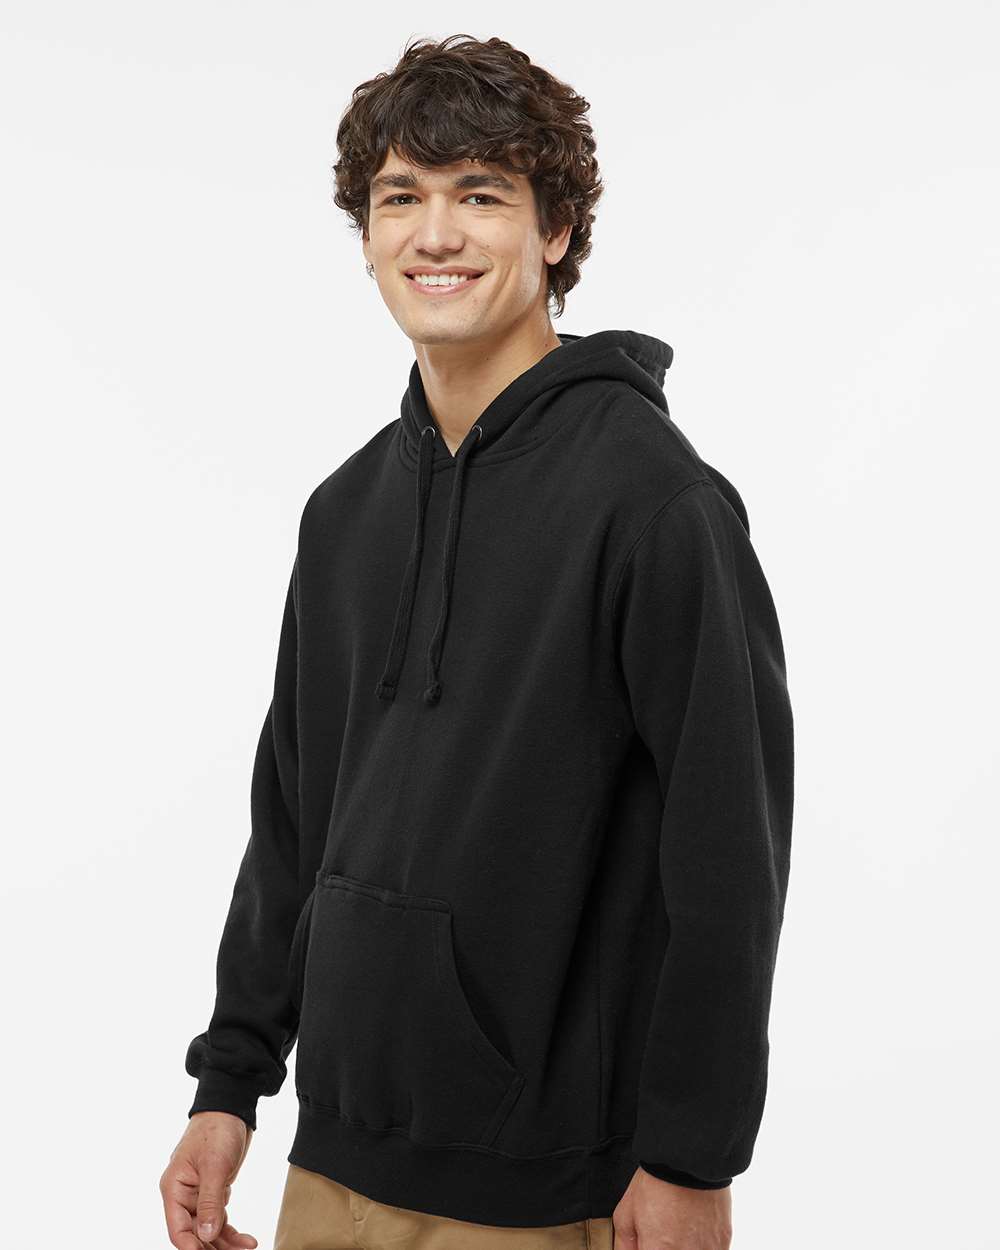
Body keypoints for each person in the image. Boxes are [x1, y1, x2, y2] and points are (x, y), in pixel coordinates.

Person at [159, 33, 794, 1250]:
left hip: (549, 1184)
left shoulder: (655, 503)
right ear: (366, 233)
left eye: (482, 195)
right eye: (401, 196)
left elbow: (728, 859)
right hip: (333, 1156)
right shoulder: (345, 512)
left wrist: (690, 1155)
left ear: (556, 231)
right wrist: (229, 1083)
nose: (435, 234)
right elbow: (292, 821)